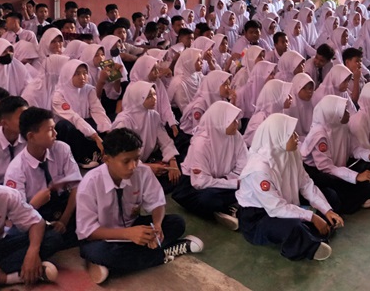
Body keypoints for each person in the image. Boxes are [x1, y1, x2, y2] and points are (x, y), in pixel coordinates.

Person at [75, 128, 203, 284]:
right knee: (96, 251)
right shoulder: (89, 184)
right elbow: (88, 232)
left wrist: (156, 226)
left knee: (177, 223)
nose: (133, 166)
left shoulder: (142, 172)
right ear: (107, 159)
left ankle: (113, 266)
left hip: (132, 226)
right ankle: (165, 253)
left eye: (136, 159)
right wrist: (127, 234)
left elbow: (157, 202)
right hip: (103, 237)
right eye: (126, 161)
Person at [236, 113, 343, 261]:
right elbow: (276, 208)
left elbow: (305, 183)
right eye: (291, 134)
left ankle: (310, 232)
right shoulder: (259, 169)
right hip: (260, 216)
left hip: (285, 201)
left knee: (330, 196)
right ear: (278, 136)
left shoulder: (291, 153)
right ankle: (307, 244)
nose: (297, 137)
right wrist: (312, 217)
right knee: (292, 226)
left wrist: (326, 209)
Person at [4, 107, 81, 250]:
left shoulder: (62, 149)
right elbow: (17, 215)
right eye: (50, 130)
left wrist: (64, 220)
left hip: (64, 206)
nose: (56, 134)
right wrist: (34, 204)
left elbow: (77, 186)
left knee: (95, 210)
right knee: (25, 237)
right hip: (36, 213)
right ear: (31, 136)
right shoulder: (16, 170)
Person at [300, 95, 370, 214]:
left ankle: (356, 198)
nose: (348, 113)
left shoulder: (341, 125)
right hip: (320, 173)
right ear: (334, 113)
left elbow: (353, 149)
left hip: (338, 169)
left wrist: (369, 155)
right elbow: (326, 168)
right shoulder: (319, 134)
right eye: (344, 111)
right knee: (334, 195)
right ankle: (353, 200)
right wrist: (356, 176)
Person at [173, 101, 248, 231]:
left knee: (252, 183)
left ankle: (222, 211)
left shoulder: (236, 136)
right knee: (207, 198)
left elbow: (244, 166)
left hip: (223, 181)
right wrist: (234, 183)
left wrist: (232, 179)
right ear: (220, 121)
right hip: (194, 187)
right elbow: (200, 183)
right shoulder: (201, 144)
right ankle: (226, 209)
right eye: (232, 120)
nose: (237, 123)